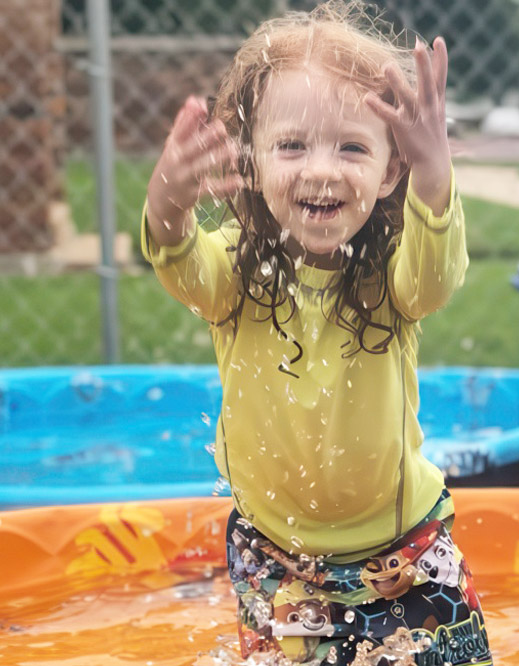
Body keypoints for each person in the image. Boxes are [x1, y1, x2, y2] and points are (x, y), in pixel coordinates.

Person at [141, 2, 490, 664]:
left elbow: (437, 278)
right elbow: (179, 263)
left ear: (392, 171)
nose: (323, 170)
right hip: (276, 556)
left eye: (352, 147)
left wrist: (436, 178)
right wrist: (168, 202)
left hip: (403, 548)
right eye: (292, 145)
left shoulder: (393, 277)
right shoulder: (236, 274)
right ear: (254, 160)